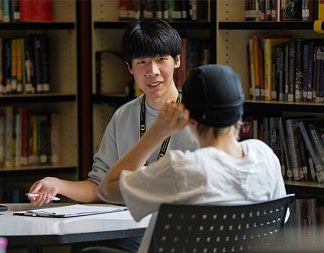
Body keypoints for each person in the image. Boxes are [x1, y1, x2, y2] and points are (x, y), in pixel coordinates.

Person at [27, 18, 199, 252]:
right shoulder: (124, 116)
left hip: (177, 230)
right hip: (129, 226)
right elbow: (99, 186)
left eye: (161, 59)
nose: (153, 71)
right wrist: (57, 185)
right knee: (84, 245)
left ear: (177, 60)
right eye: (142, 62)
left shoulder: (198, 116)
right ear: (129, 68)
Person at [97, 64, 287, 253]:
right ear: (239, 112)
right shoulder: (265, 156)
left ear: (190, 118)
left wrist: (156, 133)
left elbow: (107, 190)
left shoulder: (183, 169)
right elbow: (282, 218)